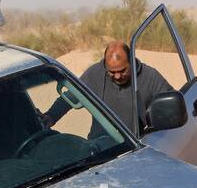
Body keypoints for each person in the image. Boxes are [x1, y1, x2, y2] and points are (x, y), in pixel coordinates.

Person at [42, 40, 174, 134]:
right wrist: (51, 116)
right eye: (112, 72)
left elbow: (172, 103)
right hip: (100, 148)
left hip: (137, 147)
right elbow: (71, 97)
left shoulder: (150, 76)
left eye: (122, 71)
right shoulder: (94, 73)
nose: (117, 76)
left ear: (132, 62)